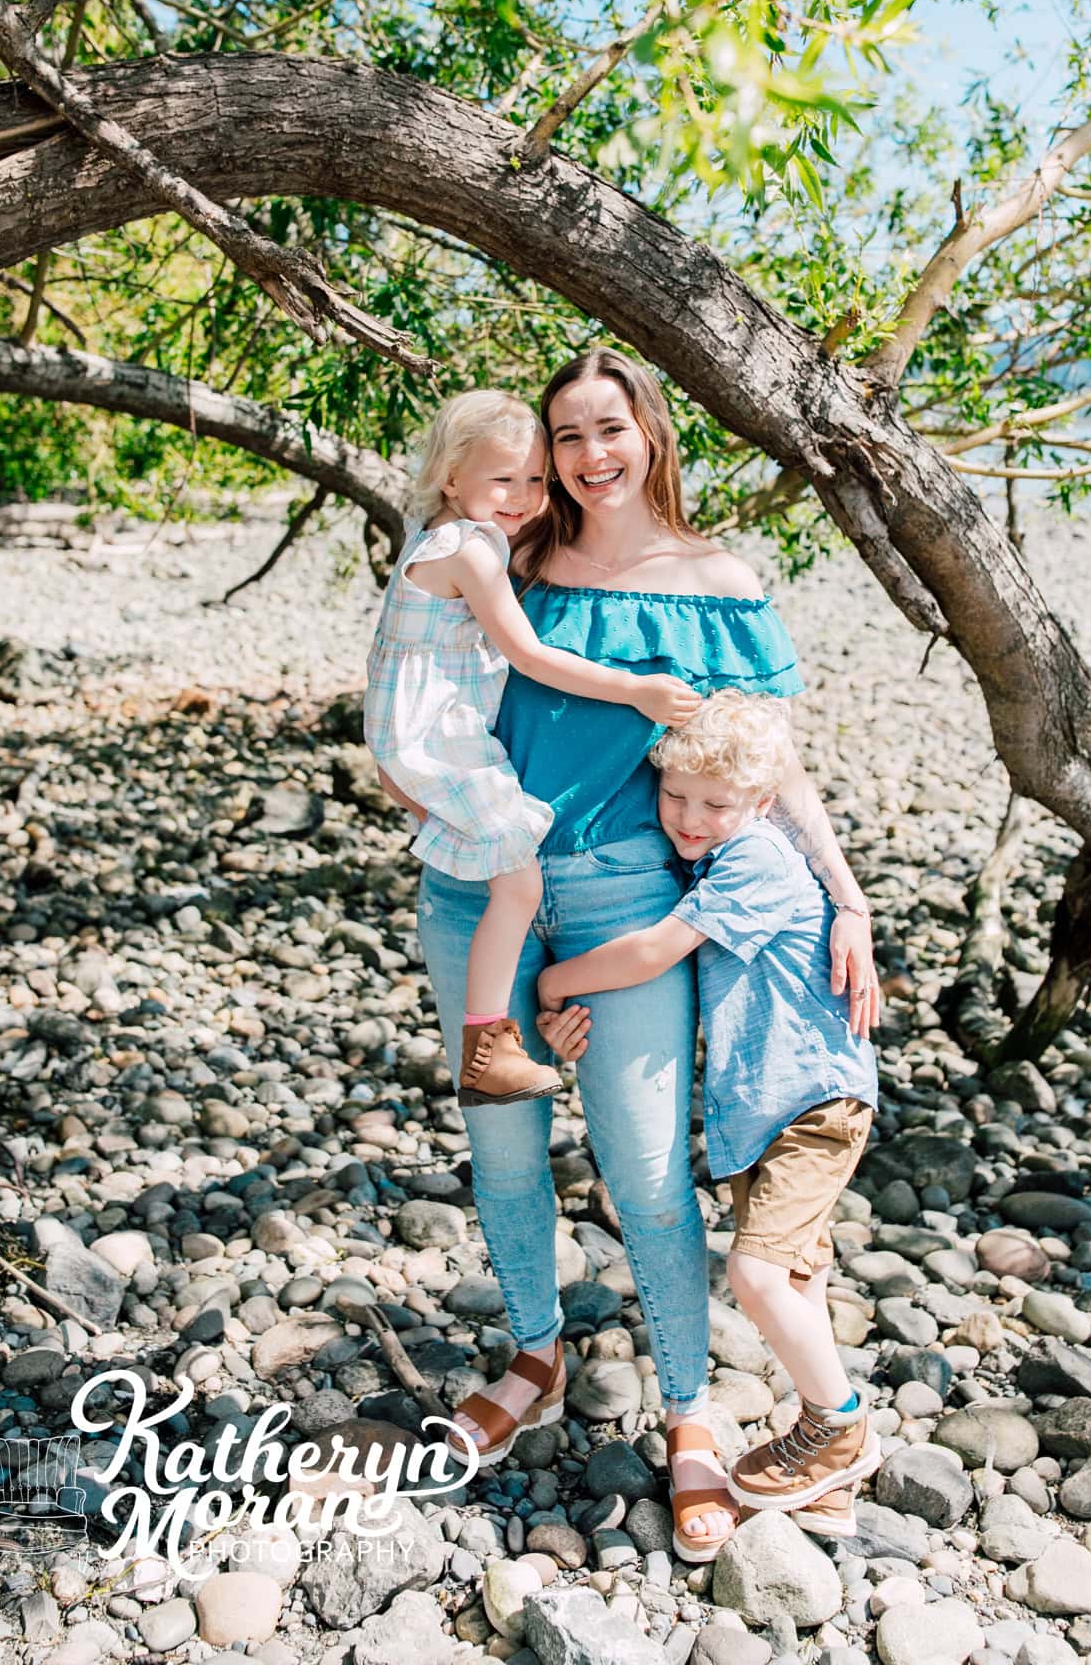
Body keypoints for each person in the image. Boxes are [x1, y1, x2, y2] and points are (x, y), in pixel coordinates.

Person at [409, 348, 879, 1557]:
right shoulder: (506, 554)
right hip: (479, 880)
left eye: (607, 428)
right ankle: (534, 1353)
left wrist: (845, 892)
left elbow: (773, 760)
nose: (587, 456)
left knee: (650, 1168)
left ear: (651, 433)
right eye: (567, 435)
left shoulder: (718, 581)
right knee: (502, 1146)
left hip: (626, 900)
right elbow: (419, 681)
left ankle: (687, 1404)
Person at [536, 688, 880, 1539]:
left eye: (715, 804)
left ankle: (840, 1426)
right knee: (798, 1278)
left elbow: (657, 950)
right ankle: (825, 1478)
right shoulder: (715, 852)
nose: (689, 818)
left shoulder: (758, 856)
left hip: (810, 1098)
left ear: (761, 804)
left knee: (756, 1277)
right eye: (675, 796)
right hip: (763, 1108)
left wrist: (553, 982)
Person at [364, 388, 701, 1107]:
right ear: (451, 479)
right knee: (517, 882)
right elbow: (526, 654)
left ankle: (493, 1041)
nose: (521, 497)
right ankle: (489, 1046)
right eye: (501, 480)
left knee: (508, 880)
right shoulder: (466, 549)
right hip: (435, 738)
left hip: (425, 730)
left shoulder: (449, 535)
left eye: (534, 480)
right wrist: (635, 691)